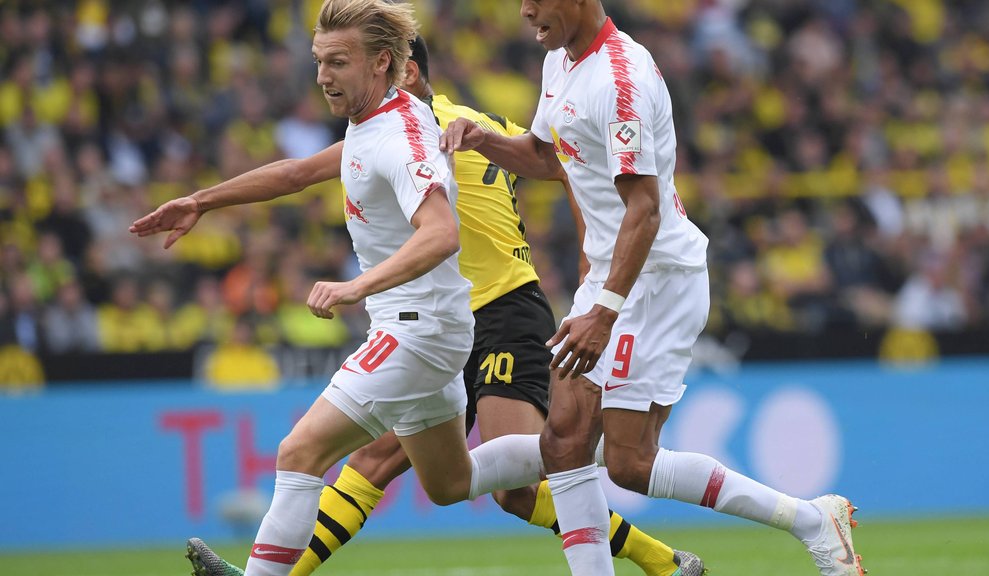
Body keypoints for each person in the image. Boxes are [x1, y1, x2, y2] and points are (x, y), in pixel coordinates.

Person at [130, 3, 702, 576]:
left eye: (340, 63)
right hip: (449, 314)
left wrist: (591, 272)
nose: (326, 78)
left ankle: (653, 542)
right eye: (323, 62)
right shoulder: (399, 126)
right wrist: (201, 200)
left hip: (498, 309)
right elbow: (297, 172)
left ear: (398, 68)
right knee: (404, 470)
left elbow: (559, 170)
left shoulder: (425, 131)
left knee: (516, 485)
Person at [440, 1, 866, 575]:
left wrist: (604, 312)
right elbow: (544, 156)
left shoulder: (622, 81)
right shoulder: (560, 60)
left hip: (656, 279)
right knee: (563, 442)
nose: (525, 10)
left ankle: (811, 520)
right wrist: (482, 139)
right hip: (612, 273)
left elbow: (644, 209)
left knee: (631, 464)